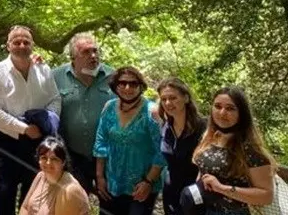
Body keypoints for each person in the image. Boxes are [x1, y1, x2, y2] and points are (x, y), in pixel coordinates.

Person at [0, 26, 61, 215]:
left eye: (26, 42)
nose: (21, 45)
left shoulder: (44, 69)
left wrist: (49, 122)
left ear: (32, 45)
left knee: (34, 196)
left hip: (39, 143)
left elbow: (55, 99)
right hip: (8, 141)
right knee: (5, 194)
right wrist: (24, 128)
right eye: (16, 42)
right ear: (8, 45)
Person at [191, 86, 275, 215]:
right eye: (217, 106)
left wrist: (221, 188)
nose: (222, 113)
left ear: (242, 113)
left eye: (230, 108)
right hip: (207, 209)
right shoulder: (211, 137)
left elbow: (266, 196)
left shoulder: (250, 148)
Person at [93, 66, 165, 215]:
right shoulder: (109, 107)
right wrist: (100, 177)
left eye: (133, 84)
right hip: (112, 182)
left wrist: (148, 182)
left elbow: (161, 151)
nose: (127, 88)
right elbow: (101, 143)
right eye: (122, 83)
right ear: (115, 85)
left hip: (141, 185)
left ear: (141, 86)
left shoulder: (152, 112)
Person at [51, 32, 114, 193]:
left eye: (95, 51)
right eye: (86, 52)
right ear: (73, 57)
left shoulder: (113, 77)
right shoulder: (55, 77)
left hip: (107, 154)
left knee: (109, 199)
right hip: (72, 154)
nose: (93, 56)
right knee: (76, 199)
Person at [156, 78, 206, 215]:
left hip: (196, 195)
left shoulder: (203, 128)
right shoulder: (166, 127)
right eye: (164, 99)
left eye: (173, 98)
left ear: (186, 98)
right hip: (171, 192)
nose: (168, 103)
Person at [18, 137, 90, 215]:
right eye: (44, 158)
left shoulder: (69, 191)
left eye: (54, 159)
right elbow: (24, 207)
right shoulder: (41, 176)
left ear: (63, 162)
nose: (48, 163)